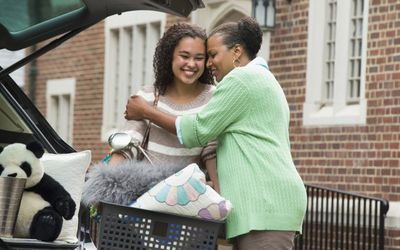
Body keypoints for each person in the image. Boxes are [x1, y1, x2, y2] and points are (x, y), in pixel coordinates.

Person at [124, 16, 307, 249]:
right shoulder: (262, 79)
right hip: (266, 205)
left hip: (265, 204)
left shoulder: (242, 79)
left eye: (212, 54)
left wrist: (146, 111)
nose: (208, 63)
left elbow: (198, 130)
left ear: (237, 51)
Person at [109, 22, 218, 189]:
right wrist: (107, 185)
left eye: (199, 58)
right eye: (184, 56)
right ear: (170, 56)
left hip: (189, 198)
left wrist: (218, 192)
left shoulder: (214, 97)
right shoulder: (147, 96)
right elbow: (128, 146)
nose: (191, 64)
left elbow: (212, 151)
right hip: (145, 196)